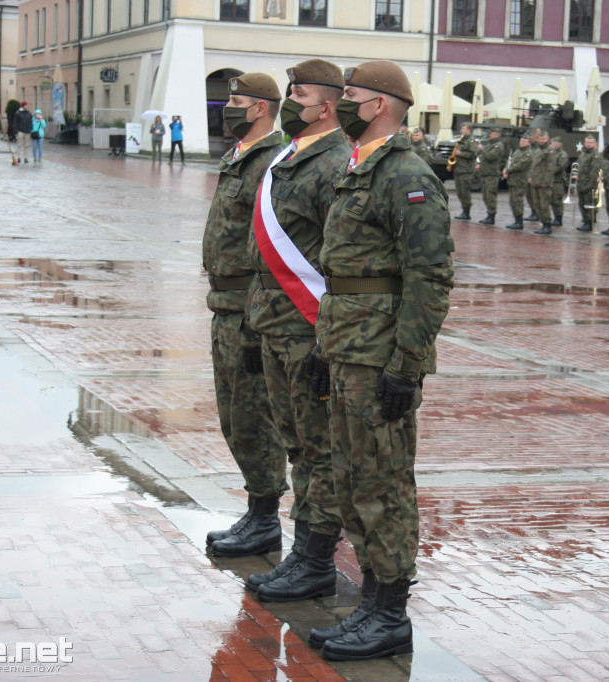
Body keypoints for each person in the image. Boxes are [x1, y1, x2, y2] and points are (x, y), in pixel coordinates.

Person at [308, 59, 454, 662]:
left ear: (380, 105)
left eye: (352, 96)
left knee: (385, 482)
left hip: (380, 356)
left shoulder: (407, 175)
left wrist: (407, 363)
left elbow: (430, 275)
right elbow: (341, 274)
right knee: (351, 476)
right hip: (347, 347)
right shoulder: (357, 168)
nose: (342, 105)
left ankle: (391, 612)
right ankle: (371, 600)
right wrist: (323, 346)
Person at [244, 59, 351, 603]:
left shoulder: (335, 163)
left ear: (325, 105)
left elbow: (339, 259)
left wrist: (328, 340)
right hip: (275, 325)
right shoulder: (290, 155)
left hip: (308, 330)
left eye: (299, 93)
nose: (290, 100)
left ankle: (314, 560)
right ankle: (300, 553)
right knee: (295, 445)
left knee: (318, 451)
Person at [202, 73, 287, 558]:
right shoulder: (238, 158)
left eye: (235, 101)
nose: (226, 107)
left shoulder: (270, 162)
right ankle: (257, 509)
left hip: (250, 308)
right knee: (233, 417)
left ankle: (265, 517)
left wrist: (260, 314)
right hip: (225, 306)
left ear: (259, 109)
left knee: (256, 417)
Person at [575, 135, 607, 231]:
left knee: (589, 204)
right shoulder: (583, 154)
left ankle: (589, 223)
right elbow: (578, 166)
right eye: (587, 142)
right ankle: (585, 221)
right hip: (581, 183)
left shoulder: (596, 155)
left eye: (591, 142)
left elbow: (594, 172)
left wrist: (588, 185)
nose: (588, 144)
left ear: (594, 144)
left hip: (589, 185)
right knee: (582, 204)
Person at [502, 135, 533, 229]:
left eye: (524, 141)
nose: (522, 143)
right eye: (521, 141)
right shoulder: (517, 151)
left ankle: (519, 222)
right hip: (513, 180)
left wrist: (508, 170)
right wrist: (506, 169)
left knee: (518, 201)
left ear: (528, 143)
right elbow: (510, 162)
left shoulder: (528, 153)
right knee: (512, 201)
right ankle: (516, 220)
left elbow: (520, 165)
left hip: (520, 180)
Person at [529, 129, 557, 234]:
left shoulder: (550, 151)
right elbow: (533, 166)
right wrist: (530, 176)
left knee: (544, 204)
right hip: (535, 181)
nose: (541, 140)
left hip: (544, 183)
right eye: (540, 138)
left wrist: (546, 181)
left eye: (544, 138)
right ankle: (543, 223)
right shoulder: (537, 150)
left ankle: (547, 225)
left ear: (548, 139)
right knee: (537, 204)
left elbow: (550, 168)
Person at [477, 128, 504, 225]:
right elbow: (484, 157)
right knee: (485, 196)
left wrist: (482, 149)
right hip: (485, 172)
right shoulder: (490, 144)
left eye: (493, 134)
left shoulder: (497, 145)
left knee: (490, 195)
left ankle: (492, 215)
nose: (491, 135)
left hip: (492, 174)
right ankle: (489, 214)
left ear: (498, 135)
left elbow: (491, 157)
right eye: (491, 133)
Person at [452, 123, 477, 221]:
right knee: (459, 192)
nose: (461, 130)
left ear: (469, 130)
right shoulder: (461, 140)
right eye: (461, 128)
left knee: (465, 192)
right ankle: (463, 210)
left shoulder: (471, 141)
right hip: (458, 169)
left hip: (466, 170)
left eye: (463, 129)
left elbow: (473, 153)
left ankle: (466, 212)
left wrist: (460, 153)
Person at [549, 136, 570, 226]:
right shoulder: (552, 153)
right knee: (552, 200)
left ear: (559, 144)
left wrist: (548, 172)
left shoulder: (562, 155)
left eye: (554, 143)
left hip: (558, 180)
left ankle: (558, 218)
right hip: (551, 180)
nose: (552, 145)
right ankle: (555, 217)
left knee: (557, 200)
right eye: (552, 143)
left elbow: (560, 167)